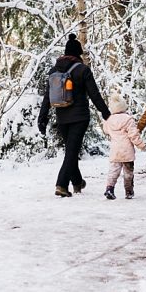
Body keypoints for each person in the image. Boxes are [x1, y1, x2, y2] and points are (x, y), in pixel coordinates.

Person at [38, 34, 110, 197]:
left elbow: (47, 97)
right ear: (78, 54)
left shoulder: (54, 71)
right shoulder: (83, 70)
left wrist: (43, 118)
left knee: (71, 150)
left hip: (62, 117)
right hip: (80, 117)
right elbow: (94, 95)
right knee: (71, 152)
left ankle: (77, 182)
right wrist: (107, 115)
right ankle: (61, 185)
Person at [101, 90, 146, 200]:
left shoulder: (108, 119)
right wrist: (141, 145)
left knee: (113, 171)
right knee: (128, 173)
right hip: (127, 151)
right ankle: (129, 191)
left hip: (115, 150)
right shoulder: (128, 119)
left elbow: (106, 130)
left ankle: (109, 188)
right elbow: (133, 135)